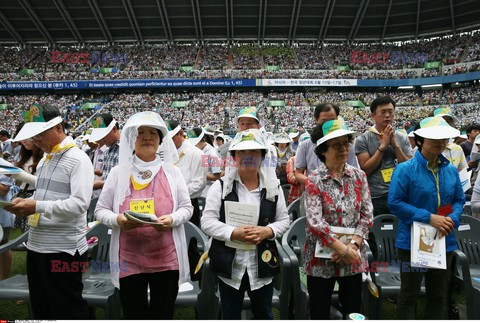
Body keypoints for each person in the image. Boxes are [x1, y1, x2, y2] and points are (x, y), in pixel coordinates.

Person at [95, 111, 193, 319]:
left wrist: (172, 219)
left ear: (160, 141)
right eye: (141, 133)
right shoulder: (117, 173)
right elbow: (100, 210)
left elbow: (187, 207)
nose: (147, 137)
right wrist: (118, 220)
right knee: (134, 314)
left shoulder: (172, 173)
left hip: (166, 260)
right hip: (128, 260)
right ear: (132, 139)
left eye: (153, 133)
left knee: (162, 314)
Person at [6, 104, 94, 319]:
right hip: (37, 245)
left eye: (40, 134)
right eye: (32, 136)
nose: (35, 141)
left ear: (58, 128)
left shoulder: (78, 159)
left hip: (63, 247)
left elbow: (79, 204)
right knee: (42, 306)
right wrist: (26, 203)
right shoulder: (47, 158)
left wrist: (35, 206)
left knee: (67, 307)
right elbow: (45, 195)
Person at [201, 129, 290, 320]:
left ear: (262, 157)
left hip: (262, 266)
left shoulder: (273, 189)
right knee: (230, 313)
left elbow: (284, 220)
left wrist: (268, 231)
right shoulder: (221, 187)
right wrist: (232, 233)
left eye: (254, 152)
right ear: (233, 157)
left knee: (263, 313)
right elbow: (207, 222)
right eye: (241, 153)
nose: (247, 157)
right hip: (230, 266)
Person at [388, 116, 465, 319]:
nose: (440, 143)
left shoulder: (450, 171)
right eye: (434, 139)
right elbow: (395, 202)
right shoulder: (405, 170)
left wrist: (451, 219)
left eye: (444, 139)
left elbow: (459, 199)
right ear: (420, 140)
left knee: (439, 295)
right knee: (409, 295)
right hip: (412, 243)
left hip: (443, 241)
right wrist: (429, 218)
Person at [303, 119, 373, 319]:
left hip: (353, 257)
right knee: (319, 310)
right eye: (336, 145)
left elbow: (367, 214)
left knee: (353, 309)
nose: (343, 149)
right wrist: (343, 249)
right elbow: (315, 222)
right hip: (321, 259)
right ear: (323, 150)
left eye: (346, 143)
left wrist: (353, 246)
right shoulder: (314, 179)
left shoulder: (359, 177)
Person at [355, 96, 412, 216]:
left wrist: (395, 146)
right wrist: (382, 147)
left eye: (390, 112)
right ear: (373, 115)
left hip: (400, 194)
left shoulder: (402, 137)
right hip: (375, 197)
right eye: (383, 112)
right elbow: (366, 169)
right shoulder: (363, 139)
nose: (387, 115)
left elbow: (410, 169)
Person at [295, 103, 358, 185]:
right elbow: (298, 173)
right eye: (324, 121)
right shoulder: (305, 145)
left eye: (332, 120)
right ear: (316, 120)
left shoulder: (347, 145)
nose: (329, 125)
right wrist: (313, 183)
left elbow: (354, 171)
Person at [167, 120, 205, 227]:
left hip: (189, 203)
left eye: (171, 139)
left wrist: (177, 193)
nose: (168, 142)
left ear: (180, 134)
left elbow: (199, 184)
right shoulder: (166, 153)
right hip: (169, 203)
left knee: (190, 239)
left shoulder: (197, 154)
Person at [187, 127, 222, 197]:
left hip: (206, 192)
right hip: (194, 191)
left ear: (203, 139)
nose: (194, 146)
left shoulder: (212, 154)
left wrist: (200, 174)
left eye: (196, 143)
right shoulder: (194, 151)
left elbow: (217, 176)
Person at [89, 113, 121, 190]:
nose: (102, 139)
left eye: (104, 135)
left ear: (114, 129)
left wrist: (101, 184)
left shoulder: (127, 148)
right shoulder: (107, 151)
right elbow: (106, 175)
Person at [433, 107, 467, 172]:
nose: (445, 124)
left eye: (448, 122)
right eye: (441, 121)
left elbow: (463, 172)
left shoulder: (457, 149)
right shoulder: (426, 147)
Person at [0, 174, 18, 280]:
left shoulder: (4, 166)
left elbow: (3, 190)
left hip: (2, 215)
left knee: (3, 245)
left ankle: (3, 280)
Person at [286, 133, 310, 204]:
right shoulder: (292, 160)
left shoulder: (313, 160)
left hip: (311, 198)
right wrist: (308, 180)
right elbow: (290, 178)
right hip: (295, 198)